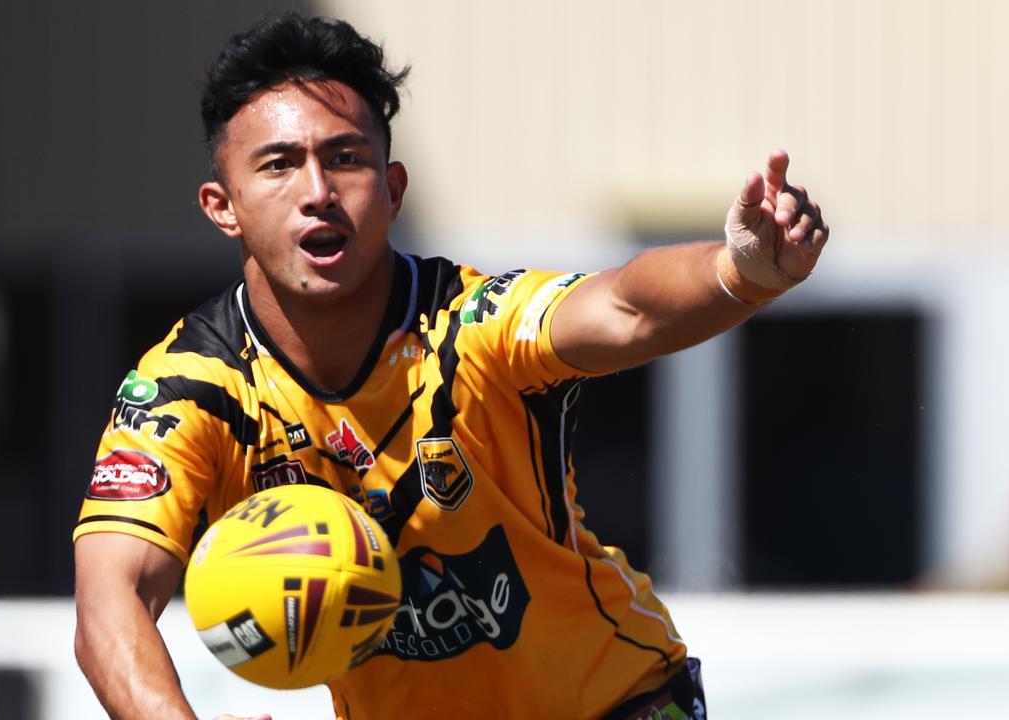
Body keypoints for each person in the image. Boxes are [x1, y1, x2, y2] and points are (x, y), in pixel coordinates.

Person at [73, 13, 828, 720]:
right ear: (222, 205)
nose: (318, 194)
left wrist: (743, 268)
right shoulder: (188, 388)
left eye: (346, 159)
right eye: (278, 165)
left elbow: (627, 305)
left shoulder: (474, 325)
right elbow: (112, 603)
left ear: (394, 190)